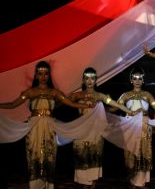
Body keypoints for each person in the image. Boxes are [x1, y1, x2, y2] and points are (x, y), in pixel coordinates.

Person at [0, 61, 90, 189]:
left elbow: (70, 103)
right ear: (36, 75)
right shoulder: (30, 92)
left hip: (49, 127)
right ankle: (35, 185)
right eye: (40, 73)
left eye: (46, 73)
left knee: (49, 154)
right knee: (34, 155)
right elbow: (12, 104)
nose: (43, 76)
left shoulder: (54, 92)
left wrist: (86, 105)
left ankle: (48, 185)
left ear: (49, 75)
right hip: (34, 127)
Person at [69, 67, 132, 189]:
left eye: (92, 78)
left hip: (95, 131)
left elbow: (115, 104)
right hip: (81, 129)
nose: (90, 81)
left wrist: (129, 111)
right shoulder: (77, 95)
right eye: (87, 78)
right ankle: (83, 183)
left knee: (94, 155)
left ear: (96, 80)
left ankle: (92, 183)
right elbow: (66, 101)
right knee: (81, 154)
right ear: (83, 80)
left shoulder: (100, 96)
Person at [115, 67, 155, 188]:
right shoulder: (125, 95)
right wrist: (101, 105)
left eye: (140, 78)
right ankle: (132, 180)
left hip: (144, 126)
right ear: (131, 80)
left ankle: (140, 182)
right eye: (135, 78)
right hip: (130, 126)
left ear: (143, 81)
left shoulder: (147, 95)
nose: (137, 81)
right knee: (131, 152)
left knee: (143, 151)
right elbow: (114, 108)